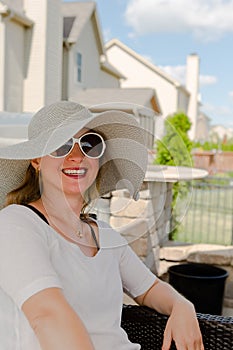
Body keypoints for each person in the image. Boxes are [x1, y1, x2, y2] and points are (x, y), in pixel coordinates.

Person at [0, 101, 204, 350]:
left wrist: (182, 305)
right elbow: (47, 315)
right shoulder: (17, 224)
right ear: (36, 160)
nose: (77, 156)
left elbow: (149, 288)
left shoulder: (104, 235)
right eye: (61, 145)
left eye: (89, 144)